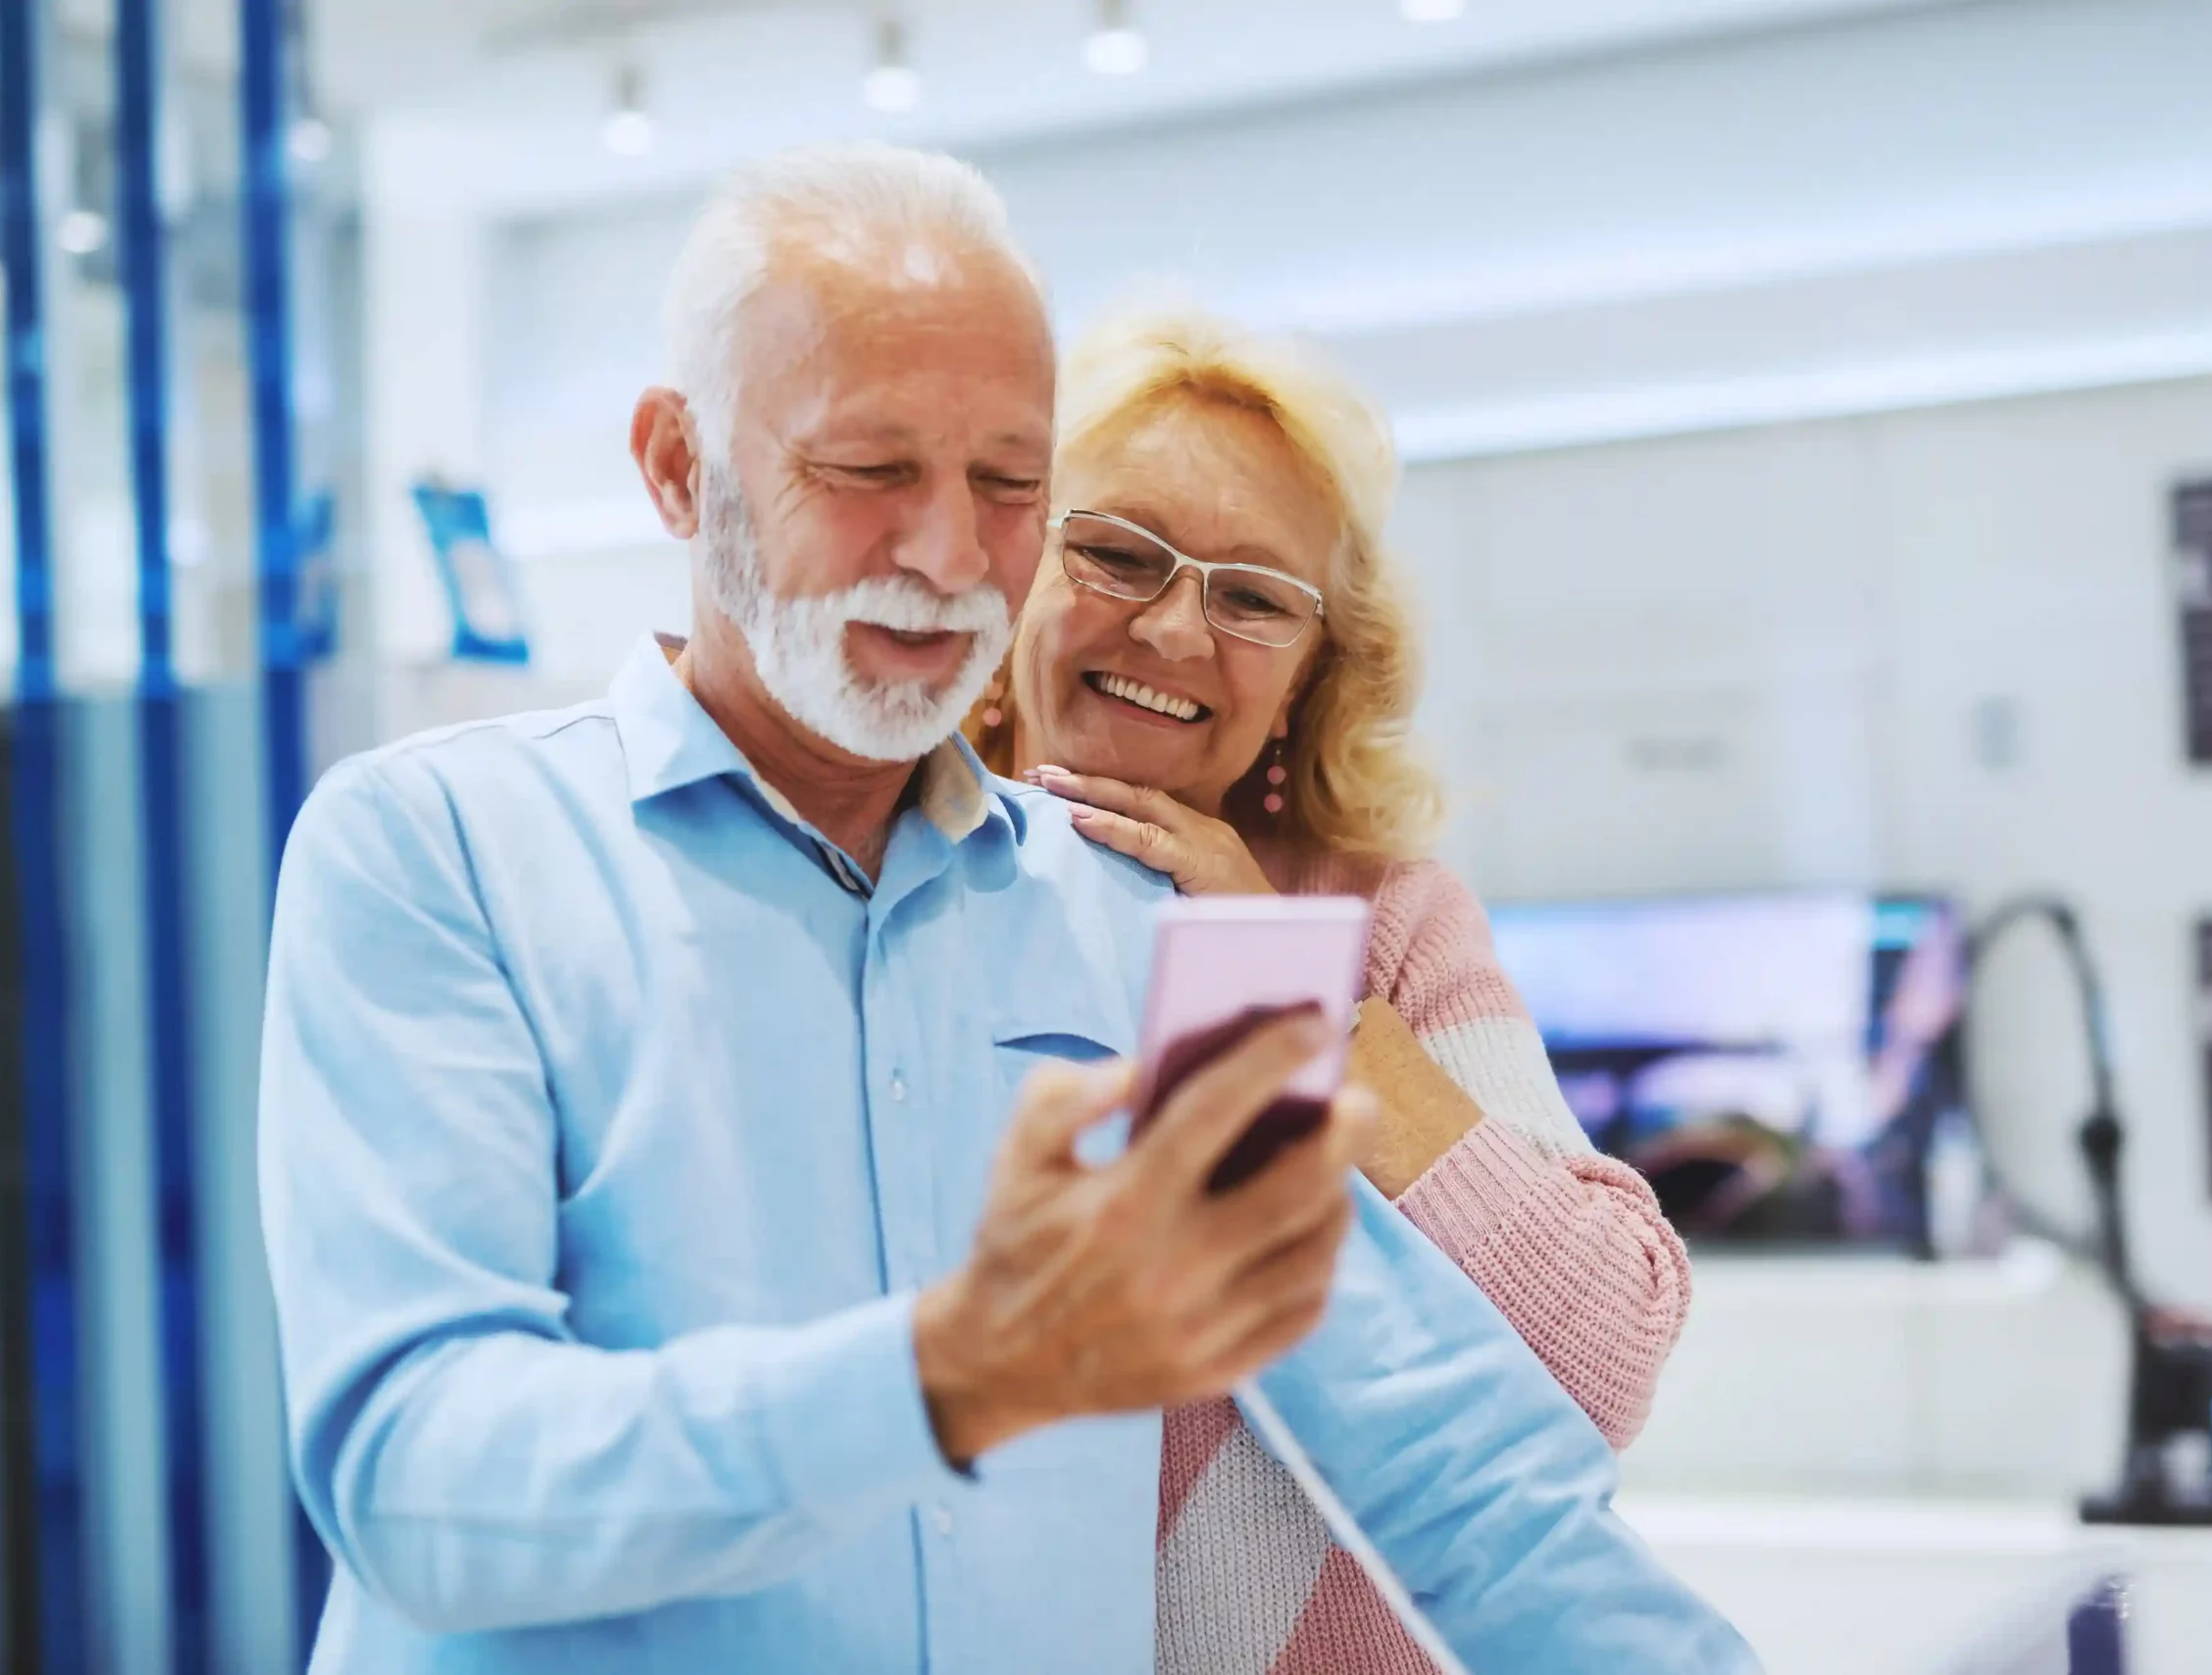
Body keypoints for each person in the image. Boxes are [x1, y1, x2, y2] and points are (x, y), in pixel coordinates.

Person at [259, 141, 1756, 1673]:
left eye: (1008, 484)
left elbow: (1457, 1470)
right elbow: (416, 1476)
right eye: (870, 470)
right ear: (677, 466)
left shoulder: (1149, 917)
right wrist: (948, 1376)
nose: (949, 553)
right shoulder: (435, 853)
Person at [972, 309, 1696, 1671]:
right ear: (1006, 571)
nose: (1173, 627)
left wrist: (1276, 981)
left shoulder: (1384, 927)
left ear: (1310, 678)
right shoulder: (883, 895)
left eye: (1252, 597)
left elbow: (1600, 1362)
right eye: (1117, 552)